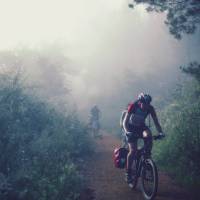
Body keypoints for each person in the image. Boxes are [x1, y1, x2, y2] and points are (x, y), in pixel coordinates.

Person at [123, 93, 165, 183]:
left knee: (149, 136)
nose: (146, 106)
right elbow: (125, 122)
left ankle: (147, 160)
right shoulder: (133, 106)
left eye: (148, 104)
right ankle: (128, 173)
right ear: (140, 102)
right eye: (144, 104)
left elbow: (156, 122)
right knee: (133, 150)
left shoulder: (150, 108)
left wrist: (161, 132)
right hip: (130, 128)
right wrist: (127, 132)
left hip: (141, 127)